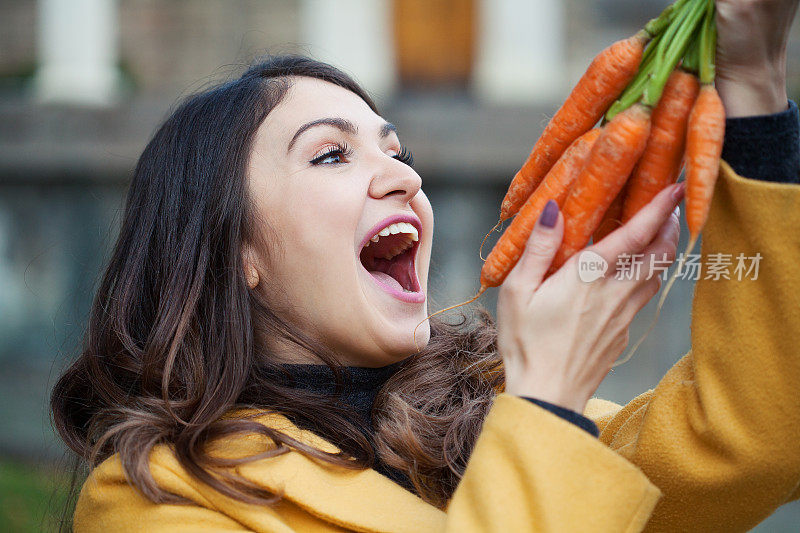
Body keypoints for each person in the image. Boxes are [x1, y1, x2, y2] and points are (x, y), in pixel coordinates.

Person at [52, 1, 800, 531]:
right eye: (332, 153)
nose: (402, 176)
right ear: (234, 249)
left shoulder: (479, 413)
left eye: (396, 150)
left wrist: (756, 86)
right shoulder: (155, 501)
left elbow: (749, 437)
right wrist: (547, 402)